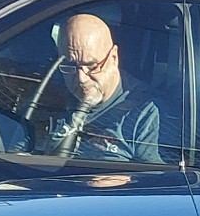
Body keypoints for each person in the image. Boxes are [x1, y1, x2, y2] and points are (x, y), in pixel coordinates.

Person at [36, 13, 164, 163]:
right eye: (70, 66)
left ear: (114, 58)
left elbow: (160, 181)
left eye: (91, 66)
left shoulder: (147, 113)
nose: (81, 79)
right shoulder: (47, 97)